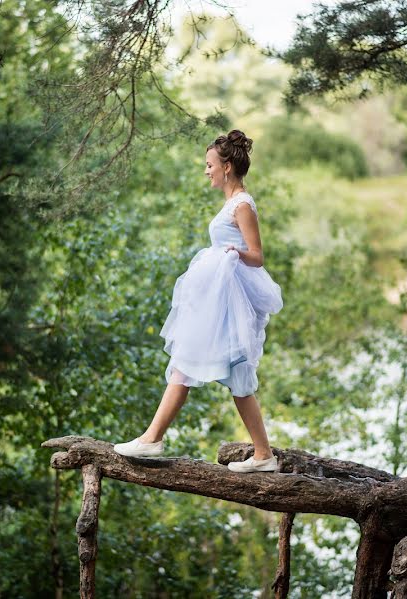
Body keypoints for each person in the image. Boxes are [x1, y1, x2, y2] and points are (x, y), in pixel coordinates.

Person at [113, 130, 284, 473]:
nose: (206, 171)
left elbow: (258, 256)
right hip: (218, 302)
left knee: (191, 363)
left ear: (228, 167)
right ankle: (263, 454)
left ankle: (152, 439)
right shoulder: (231, 203)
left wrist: (234, 252)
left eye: (210, 165)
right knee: (229, 374)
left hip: (228, 304)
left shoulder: (243, 204)